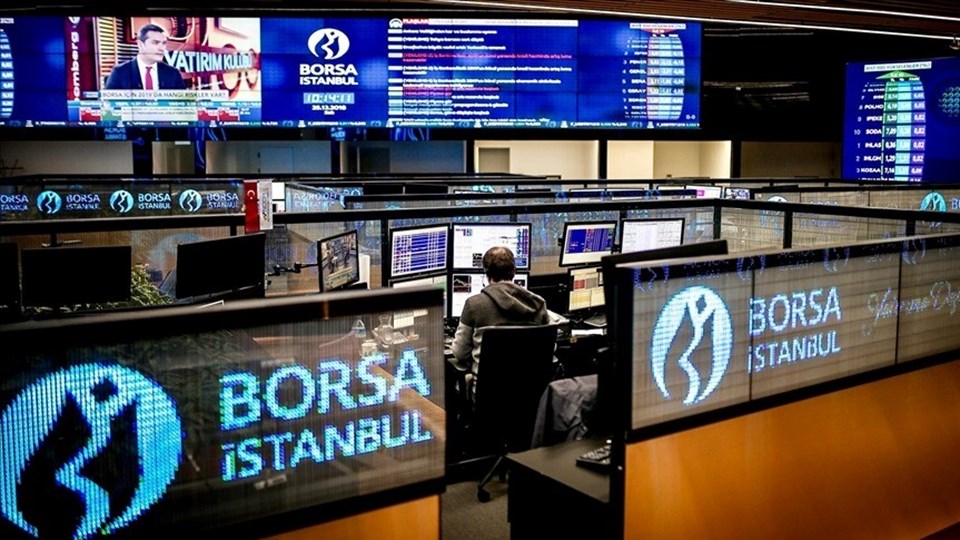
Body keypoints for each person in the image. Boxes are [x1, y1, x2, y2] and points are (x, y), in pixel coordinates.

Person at [450, 246, 552, 394]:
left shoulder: (474, 305)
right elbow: (549, 349)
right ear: (514, 271)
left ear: (486, 273)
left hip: (487, 397)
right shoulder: (538, 303)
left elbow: (459, 353)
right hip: (531, 396)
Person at [104, 23, 186, 90]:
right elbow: (109, 104)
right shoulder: (120, 72)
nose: (162, 48)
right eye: (155, 42)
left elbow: (183, 103)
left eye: (164, 43)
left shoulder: (173, 73)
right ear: (140, 44)